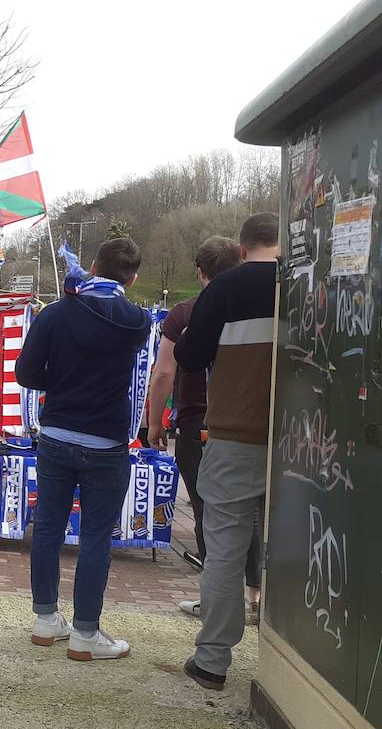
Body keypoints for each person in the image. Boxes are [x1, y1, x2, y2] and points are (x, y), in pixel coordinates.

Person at [16, 237, 151, 662]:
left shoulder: (56, 314)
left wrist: (63, 380)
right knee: (95, 538)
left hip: (57, 435)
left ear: (91, 265)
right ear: (133, 277)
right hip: (107, 442)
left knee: (48, 528)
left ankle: (44, 619)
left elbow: (26, 373)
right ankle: (86, 634)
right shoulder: (138, 321)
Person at [175, 213, 279, 691]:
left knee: (224, 552)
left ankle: (213, 660)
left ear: (241, 249)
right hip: (305, 445)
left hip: (235, 437)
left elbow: (190, 358)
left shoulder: (224, 289)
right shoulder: (308, 284)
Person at [145, 237, 242, 572]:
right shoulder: (253, 304)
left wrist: (155, 423)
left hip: (196, 421)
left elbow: (163, 374)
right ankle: (255, 592)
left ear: (200, 272)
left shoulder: (184, 312)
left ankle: (211, 584)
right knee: (249, 509)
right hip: (246, 418)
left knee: (203, 504)